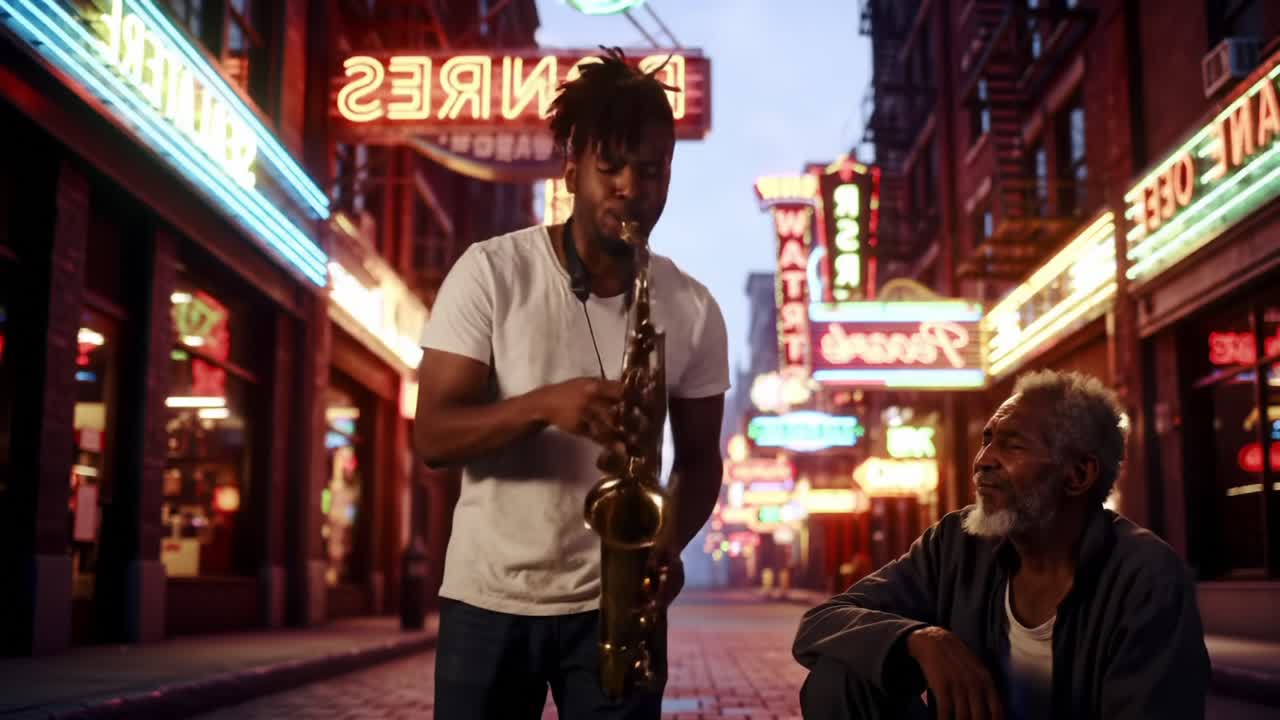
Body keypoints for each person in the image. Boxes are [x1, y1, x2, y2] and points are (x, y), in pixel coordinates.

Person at [413, 48, 728, 720]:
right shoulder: (490, 273)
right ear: (572, 166)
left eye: (650, 170)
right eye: (609, 166)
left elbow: (701, 460)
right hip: (486, 604)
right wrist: (544, 406)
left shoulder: (692, 305)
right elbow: (434, 436)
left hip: (619, 608)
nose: (629, 188)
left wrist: (667, 544)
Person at [793, 370, 1210, 720]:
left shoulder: (1146, 575)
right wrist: (920, 639)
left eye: (1012, 444)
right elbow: (820, 623)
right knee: (840, 678)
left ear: (1078, 474)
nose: (983, 460)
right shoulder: (957, 544)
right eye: (987, 439)